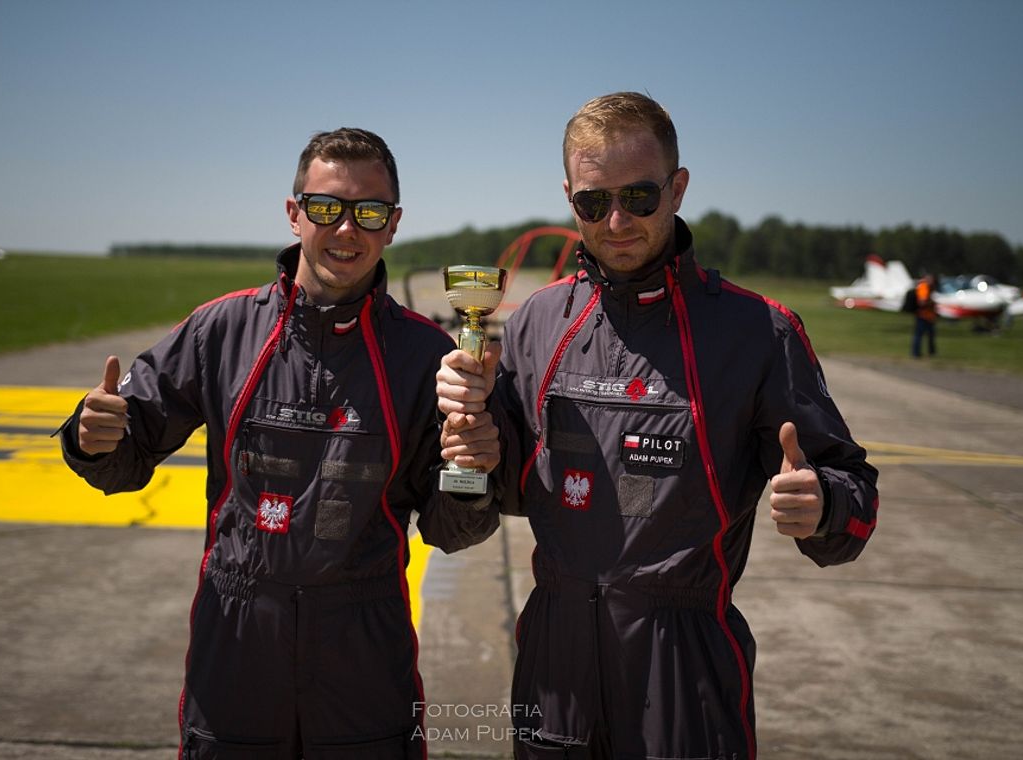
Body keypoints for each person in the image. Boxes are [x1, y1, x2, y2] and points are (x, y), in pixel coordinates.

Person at [437, 92, 879, 759]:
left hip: (685, 660)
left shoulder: (758, 332)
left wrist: (823, 504)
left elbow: (855, 497)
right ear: (568, 198)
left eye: (639, 197)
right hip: (554, 659)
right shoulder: (534, 324)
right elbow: (489, 495)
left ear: (677, 188)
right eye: (592, 202)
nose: (615, 221)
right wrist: (467, 444)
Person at [59, 127, 501, 759]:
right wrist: (94, 437)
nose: (347, 230)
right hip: (237, 638)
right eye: (326, 208)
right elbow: (123, 456)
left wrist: (473, 472)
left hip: (364, 645)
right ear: (294, 214)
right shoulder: (221, 330)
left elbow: (450, 527)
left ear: (393, 225)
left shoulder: (428, 355)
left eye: (369, 212)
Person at [911, 272, 937, 358]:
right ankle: (916, 353)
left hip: (929, 316)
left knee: (931, 336)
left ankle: (931, 352)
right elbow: (922, 302)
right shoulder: (923, 287)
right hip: (922, 316)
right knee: (919, 335)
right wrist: (932, 302)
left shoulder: (931, 288)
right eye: (929, 279)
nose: (931, 281)